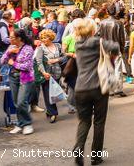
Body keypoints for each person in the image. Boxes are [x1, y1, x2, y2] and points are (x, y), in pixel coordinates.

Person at [71, 18, 108, 166]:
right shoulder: (96, 42)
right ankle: (96, 156)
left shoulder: (78, 44)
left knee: (84, 121)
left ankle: (79, 148)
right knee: (99, 122)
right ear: (93, 31)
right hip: (98, 87)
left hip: (80, 88)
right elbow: (115, 48)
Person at [3, 29, 38, 135]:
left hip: (25, 78)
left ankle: (27, 124)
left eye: (12, 37)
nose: (10, 39)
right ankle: (20, 123)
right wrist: (9, 52)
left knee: (22, 101)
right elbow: (2, 61)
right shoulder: (11, 47)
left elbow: (26, 67)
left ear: (19, 38)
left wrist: (13, 63)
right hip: (13, 77)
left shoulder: (28, 49)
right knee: (16, 103)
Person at [35, 28, 64, 123]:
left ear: (50, 37)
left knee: (54, 93)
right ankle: (53, 113)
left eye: (45, 37)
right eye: (42, 37)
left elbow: (64, 56)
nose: (43, 39)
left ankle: (49, 110)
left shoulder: (58, 46)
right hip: (47, 73)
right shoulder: (41, 48)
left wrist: (57, 60)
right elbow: (39, 62)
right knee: (48, 94)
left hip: (58, 72)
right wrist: (44, 73)